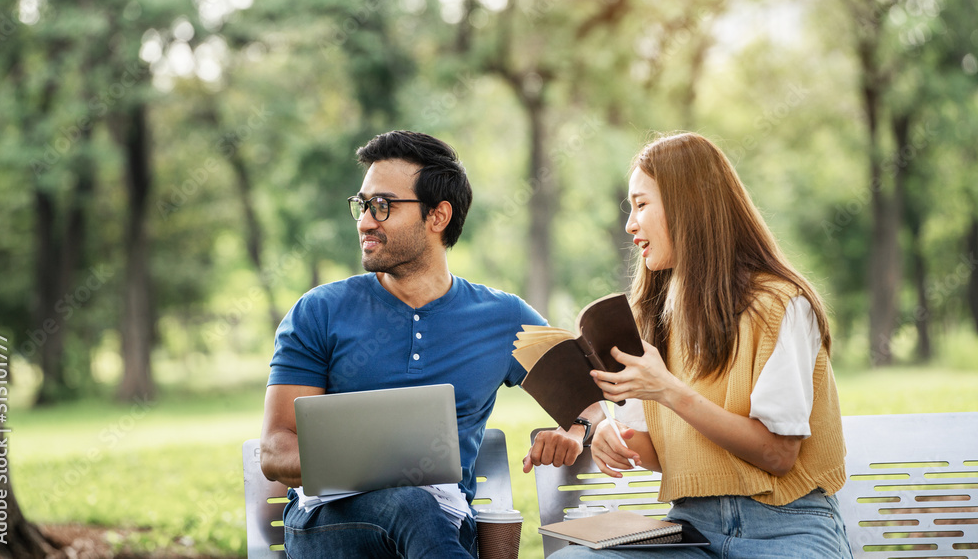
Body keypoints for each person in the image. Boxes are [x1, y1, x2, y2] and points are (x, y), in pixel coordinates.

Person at [259, 130, 580, 558]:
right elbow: (275, 448)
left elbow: (590, 400)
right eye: (363, 204)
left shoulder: (505, 318)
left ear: (437, 216)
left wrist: (577, 430)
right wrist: (368, 464)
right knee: (409, 503)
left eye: (383, 206)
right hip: (330, 526)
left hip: (444, 524)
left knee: (421, 510)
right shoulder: (318, 311)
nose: (365, 221)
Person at [545, 132, 854, 558]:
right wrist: (605, 433)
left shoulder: (781, 305)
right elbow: (658, 450)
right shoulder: (652, 317)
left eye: (641, 204)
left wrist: (668, 390)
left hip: (788, 530)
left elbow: (778, 453)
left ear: (687, 204)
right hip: (693, 531)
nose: (630, 224)